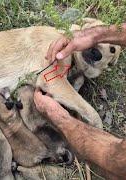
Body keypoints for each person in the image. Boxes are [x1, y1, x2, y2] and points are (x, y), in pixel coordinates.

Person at [34, 24, 126, 179]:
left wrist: (61, 118)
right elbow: (49, 81)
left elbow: (119, 163)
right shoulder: (52, 38)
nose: (100, 49)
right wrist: (95, 121)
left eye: (112, 49)